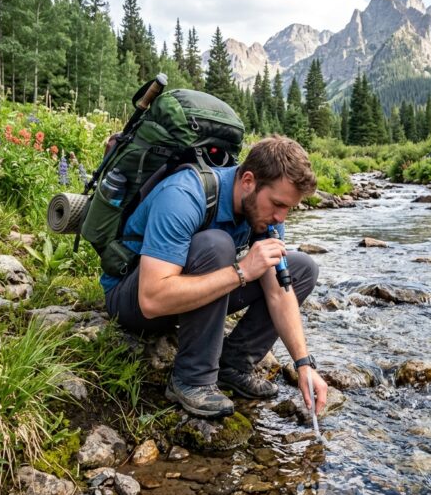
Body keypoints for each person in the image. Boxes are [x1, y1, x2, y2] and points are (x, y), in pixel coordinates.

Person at [102, 135, 328, 418]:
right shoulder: (183, 196)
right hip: (133, 299)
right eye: (277, 204)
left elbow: (277, 292)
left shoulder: (264, 215)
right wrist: (242, 271)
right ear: (248, 181)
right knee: (216, 245)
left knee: (301, 268)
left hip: (187, 292)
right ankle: (192, 379)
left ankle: (232, 366)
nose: (281, 218)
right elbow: (151, 299)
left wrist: (303, 364)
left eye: (288, 209)